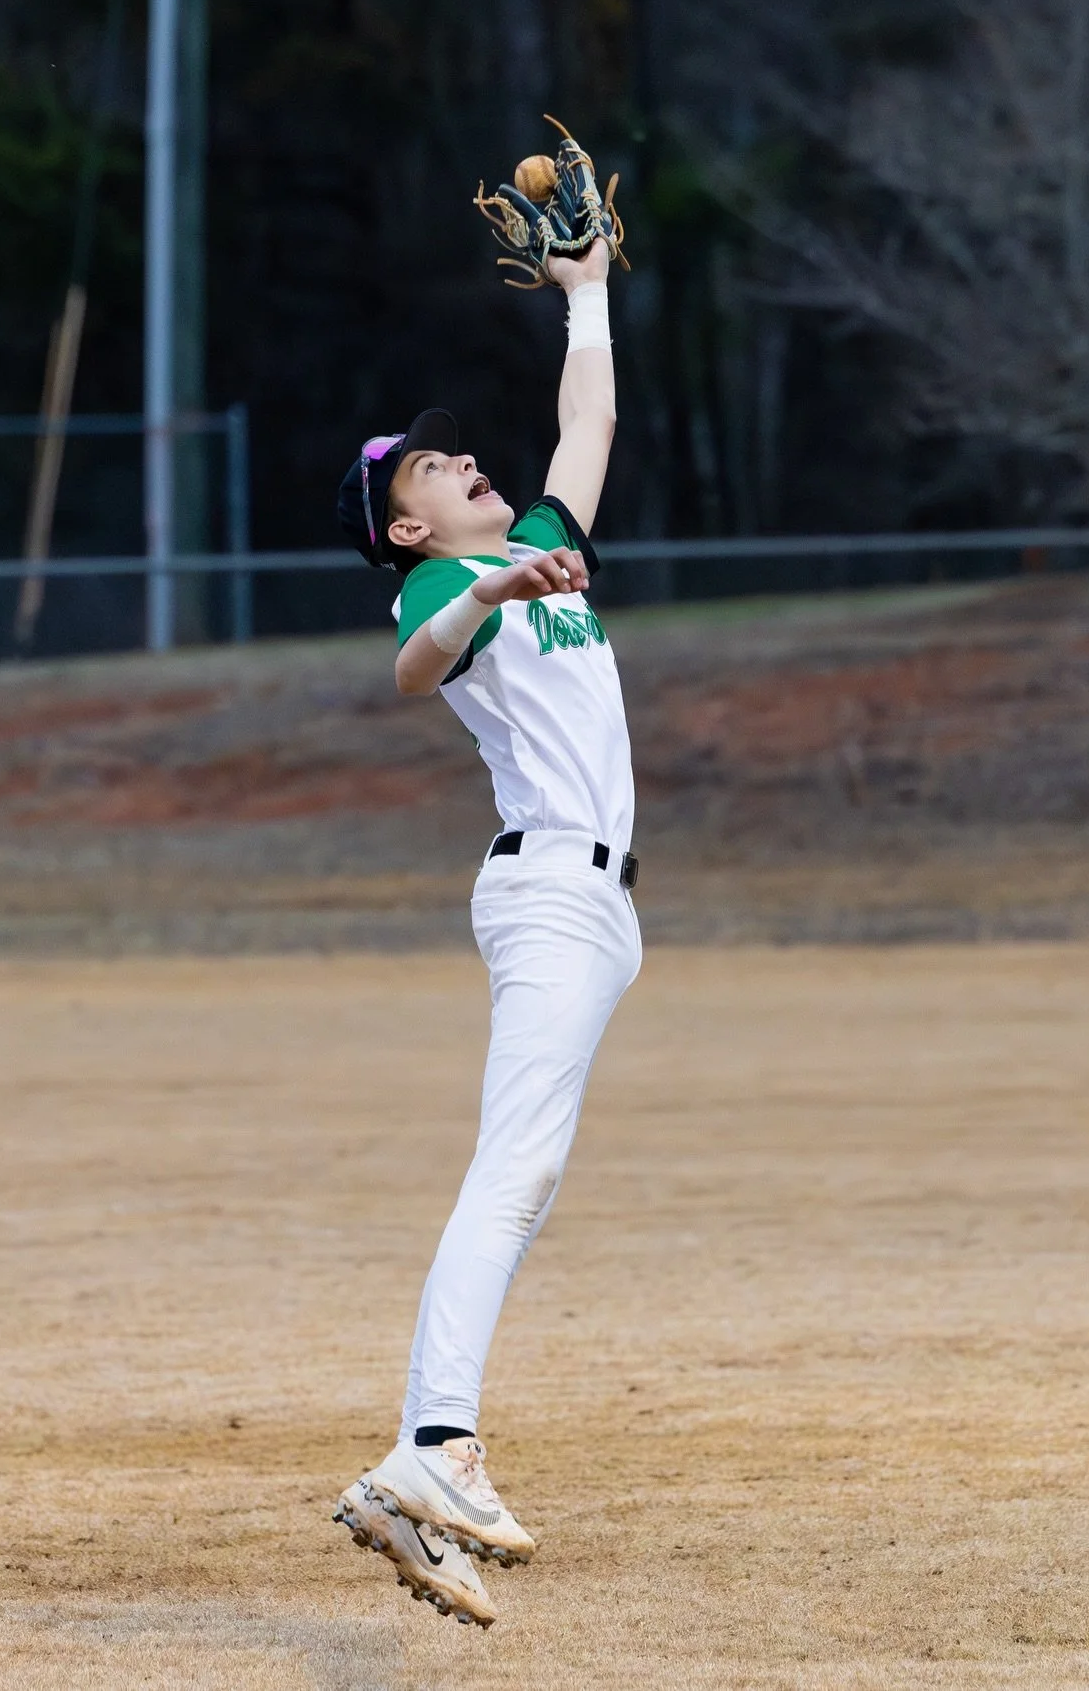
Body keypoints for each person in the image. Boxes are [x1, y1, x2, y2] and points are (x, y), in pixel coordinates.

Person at [330, 236, 642, 1627]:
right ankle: (435, 1443)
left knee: (528, 1173)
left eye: (457, 456)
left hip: (598, 903)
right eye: (431, 473)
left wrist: (583, 290)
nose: (464, 465)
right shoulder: (433, 589)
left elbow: (591, 422)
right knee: (513, 1171)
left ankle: (423, 1466)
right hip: (548, 892)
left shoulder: (541, 548)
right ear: (409, 528)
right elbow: (407, 674)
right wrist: (482, 591)